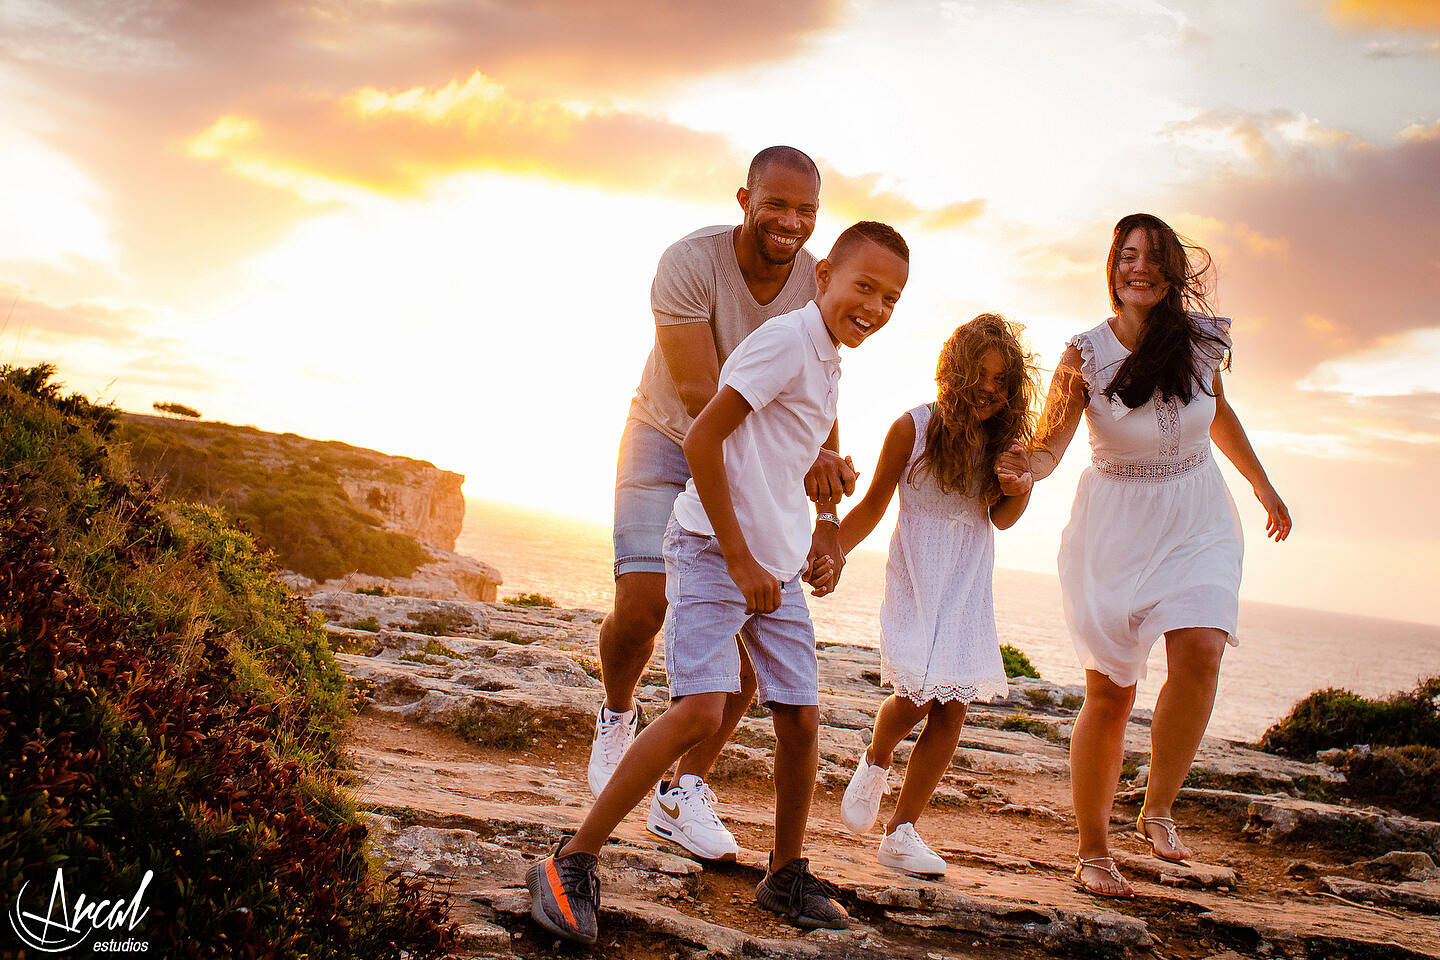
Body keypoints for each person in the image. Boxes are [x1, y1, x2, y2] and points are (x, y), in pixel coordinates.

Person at [528, 222, 910, 945]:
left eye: (892, 297)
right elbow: (703, 437)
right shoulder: (785, 342)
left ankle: (784, 873)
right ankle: (570, 860)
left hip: (774, 561)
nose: (876, 307)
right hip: (712, 548)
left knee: (800, 716)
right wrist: (737, 559)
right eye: (864, 286)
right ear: (823, 275)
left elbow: (801, 458)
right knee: (702, 711)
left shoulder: (829, 358)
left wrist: (822, 528)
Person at [1011, 213, 1292, 897]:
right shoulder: (1084, 352)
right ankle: (1093, 851)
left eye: (1152, 258)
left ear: (1170, 272)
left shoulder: (1200, 341)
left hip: (1197, 512)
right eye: (1127, 256)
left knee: (1201, 646)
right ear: (1113, 267)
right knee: (1110, 693)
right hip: (1117, 526)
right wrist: (1029, 468)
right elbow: (1053, 439)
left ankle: (1158, 808)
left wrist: (1262, 482)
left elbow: (1216, 411)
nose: (1139, 268)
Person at [590, 147, 858, 862]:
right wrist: (794, 464)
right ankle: (618, 713)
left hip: (754, 455)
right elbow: (699, 400)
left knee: (754, 628)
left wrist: (825, 504)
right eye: (777, 205)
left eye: (807, 211)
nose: (791, 222)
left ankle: (684, 791)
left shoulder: (820, 280)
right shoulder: (689, 263)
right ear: (745, 200)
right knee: (643, 603)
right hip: (672, 435)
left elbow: (822, 386)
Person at [814, 315, 1039, 876]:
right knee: (915, 694)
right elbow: (870, 505)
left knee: (953, 705)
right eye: (979, 374)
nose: (989, 388)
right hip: (917, 574)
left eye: (1001, 380)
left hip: (966, 581)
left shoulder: (1003, 442)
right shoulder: (912, 428)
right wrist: (831, 552)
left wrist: (1020, 486)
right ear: (953, 371)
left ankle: (902, 831)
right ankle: (875, 758)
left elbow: (1004, 519)